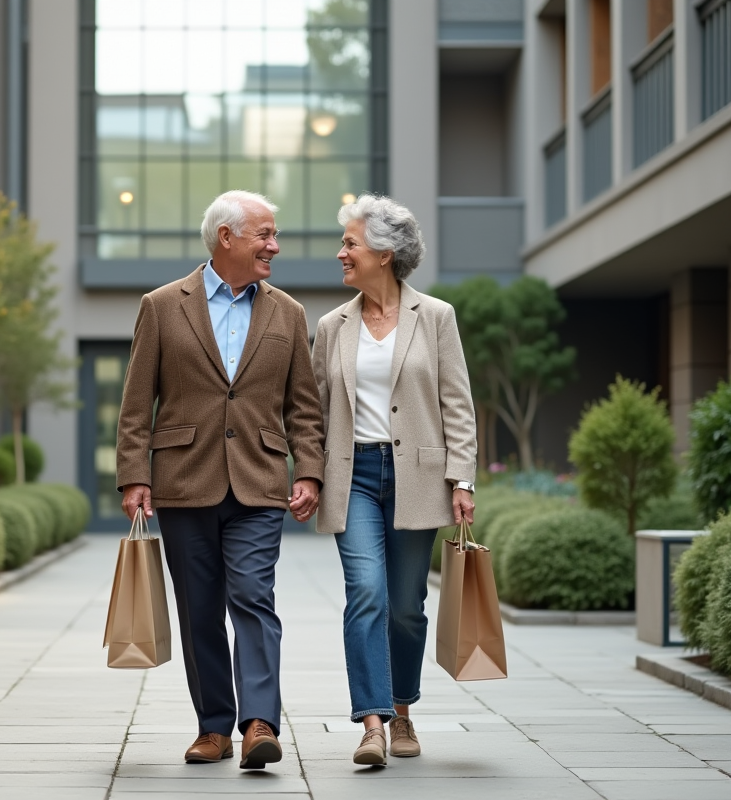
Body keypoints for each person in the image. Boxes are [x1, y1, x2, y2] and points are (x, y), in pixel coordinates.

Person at [115, 190, 325, 770]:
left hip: (259, 482)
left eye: (274, 235)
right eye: (264, 234)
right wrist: (135, 475)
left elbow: (303, 407)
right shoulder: (161, 305)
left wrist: (308, 470)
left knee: (254, 598)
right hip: (183, 482)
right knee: (198, 609)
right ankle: (213, 727)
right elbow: (137, 404)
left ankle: (259, 721)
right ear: (226, 237)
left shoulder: (288, 313)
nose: (274, 246)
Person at [310, 194, 477, 766]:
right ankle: (373, 726)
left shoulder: (435, 317)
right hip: (351, 475)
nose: (342, 254)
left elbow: (457, 403)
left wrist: (463, 479)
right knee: (367, 594)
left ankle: (403, 709)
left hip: (419, 478)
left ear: (384, 253)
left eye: (350, 244)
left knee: (406, 606)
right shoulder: (332, 327)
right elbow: (313, 411)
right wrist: (308, 475)